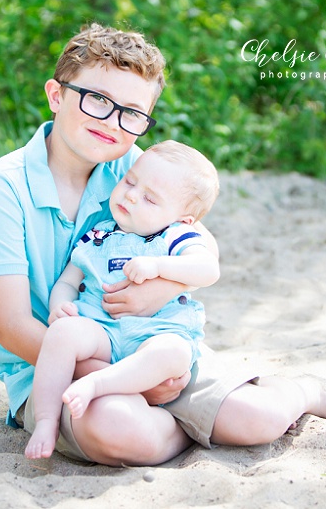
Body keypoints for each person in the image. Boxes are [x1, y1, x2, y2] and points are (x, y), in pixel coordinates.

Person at [0, 23, 326, 466]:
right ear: (57, 95)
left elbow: (199, 243)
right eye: (97, 100)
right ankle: (190, 429)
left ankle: (306, 390)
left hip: (151, 344)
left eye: (131, 112)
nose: (112, 122)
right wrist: (119, 376)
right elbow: (12, 327)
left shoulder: (133, 168)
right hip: (55, 367)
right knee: (116, 427)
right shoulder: (3, 189)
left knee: (257, 420)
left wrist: (164, 287)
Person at [25, 141, 220, 459]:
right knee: (61, 334)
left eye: (149, 198)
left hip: (157, 332)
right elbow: (69, 280)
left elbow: (208, 270)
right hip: (101, 329)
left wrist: (159, 266)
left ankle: (99, 384)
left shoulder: (176, 237)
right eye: (130, 181)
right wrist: (59, 305)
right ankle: (46, 420)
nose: (131, 195)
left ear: (182, 218)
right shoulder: (98, 235)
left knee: (174, 353)